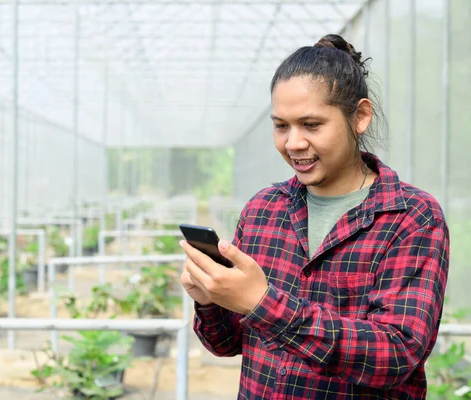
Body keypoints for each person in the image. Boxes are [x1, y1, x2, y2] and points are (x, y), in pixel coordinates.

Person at [179, 34, 450, 399]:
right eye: (281, 126)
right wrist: (210, 299)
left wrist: (264, 303)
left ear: (361, 117)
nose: (293, 143)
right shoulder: (263, 210)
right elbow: (227, 345)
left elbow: (396, 355)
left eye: (311, 125)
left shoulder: (411, 218)